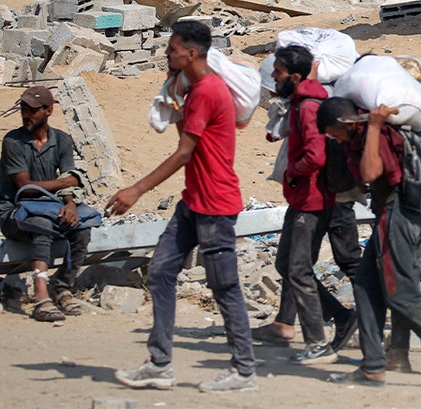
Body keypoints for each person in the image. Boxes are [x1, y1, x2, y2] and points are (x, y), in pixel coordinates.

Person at [110, 21, 258, 393]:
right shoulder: (196, 91)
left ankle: (243, 369)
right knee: (161, 271)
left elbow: (184, 153)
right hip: (194, 202)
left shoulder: (208, 91)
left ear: (191, 53)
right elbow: (190, 143)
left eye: (172, 49)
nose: (167, 53)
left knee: (224, 286)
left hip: (215, 204)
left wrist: (136, 190)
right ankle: (159, 363)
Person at [317, 98, 421, 388]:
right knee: (366, 285)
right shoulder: (359, 137)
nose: (334, 139)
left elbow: (369, 174)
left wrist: (375, 127)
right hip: (386, 212)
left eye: (334, 132)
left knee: (399, 293)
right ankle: (373, 365)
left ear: (344, 124)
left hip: (398, 214)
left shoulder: (373, 134)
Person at [261, 44, 358, 364]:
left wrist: (292, 171)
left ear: (296, 76)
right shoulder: (302, 102)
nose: (274, 77)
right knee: (285, 266)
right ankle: (340, 318)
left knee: (298, 269)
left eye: (278, 72)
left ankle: (318, 339)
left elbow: (315, 156)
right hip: (302, 198)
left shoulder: (308, 108)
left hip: (312, 200)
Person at [0, 86, 91, 322]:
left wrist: (70, 205)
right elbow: (26, 187)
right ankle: (41, 298)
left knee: (82, 228)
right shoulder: (13, 141)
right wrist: (66, 182)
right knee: (42, 226)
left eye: (32, 110)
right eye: (23, 109)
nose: (26, 115)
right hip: (14, 211)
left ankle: (61, 287)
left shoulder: (61, 140)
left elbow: (70, 181)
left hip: (48, 207)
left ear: (48, 111)